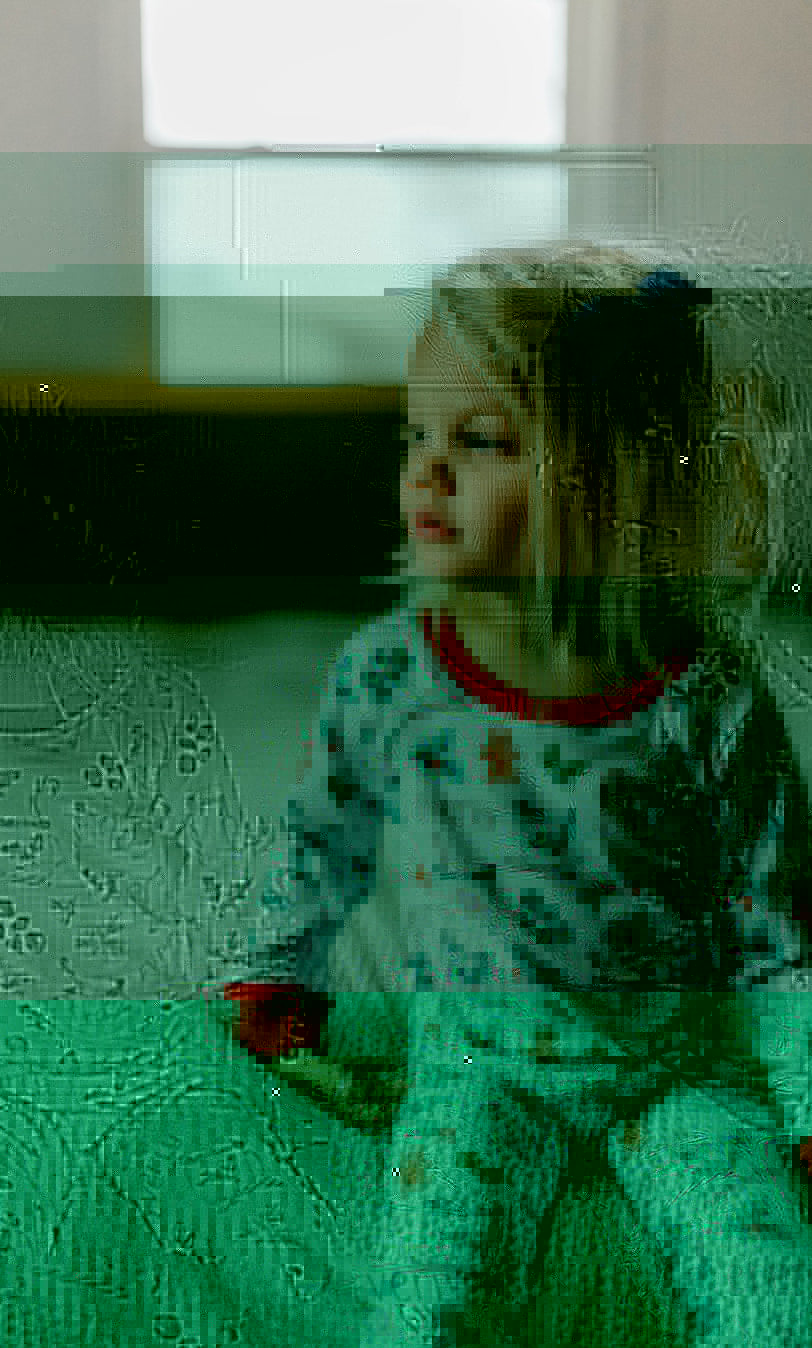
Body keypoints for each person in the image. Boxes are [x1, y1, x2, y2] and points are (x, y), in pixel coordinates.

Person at [211, 239, 812, 1346]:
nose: (424, 473)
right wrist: (278, 969)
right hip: (478, 1065)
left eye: (478, 440)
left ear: (619, 477)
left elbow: (780, 921)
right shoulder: (395, 675)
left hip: (674, 1069)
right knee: (428, 1306)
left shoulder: (713, 700)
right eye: (417, 435)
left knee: (776, 1300)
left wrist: (804, 1091)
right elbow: (321, 842)